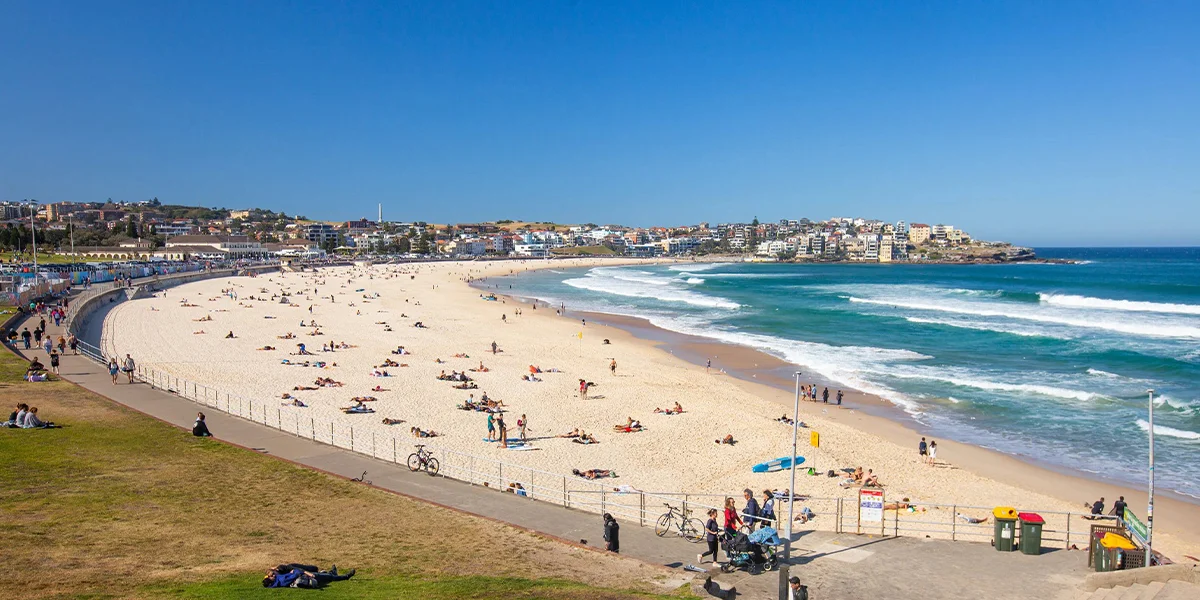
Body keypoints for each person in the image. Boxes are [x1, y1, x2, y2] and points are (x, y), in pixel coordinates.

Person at [263, 564, 355, 588]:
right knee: (329, 577)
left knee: (327, 575)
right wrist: (308, 573)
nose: (272, 575)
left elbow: (271, 572)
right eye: (270, 576)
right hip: (306, 577)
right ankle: (346, 576)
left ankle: (333, 572)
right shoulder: (282, 580)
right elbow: (297, 573)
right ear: (271, 580)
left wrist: (273, 570)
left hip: (305, 576)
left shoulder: (277, 580)